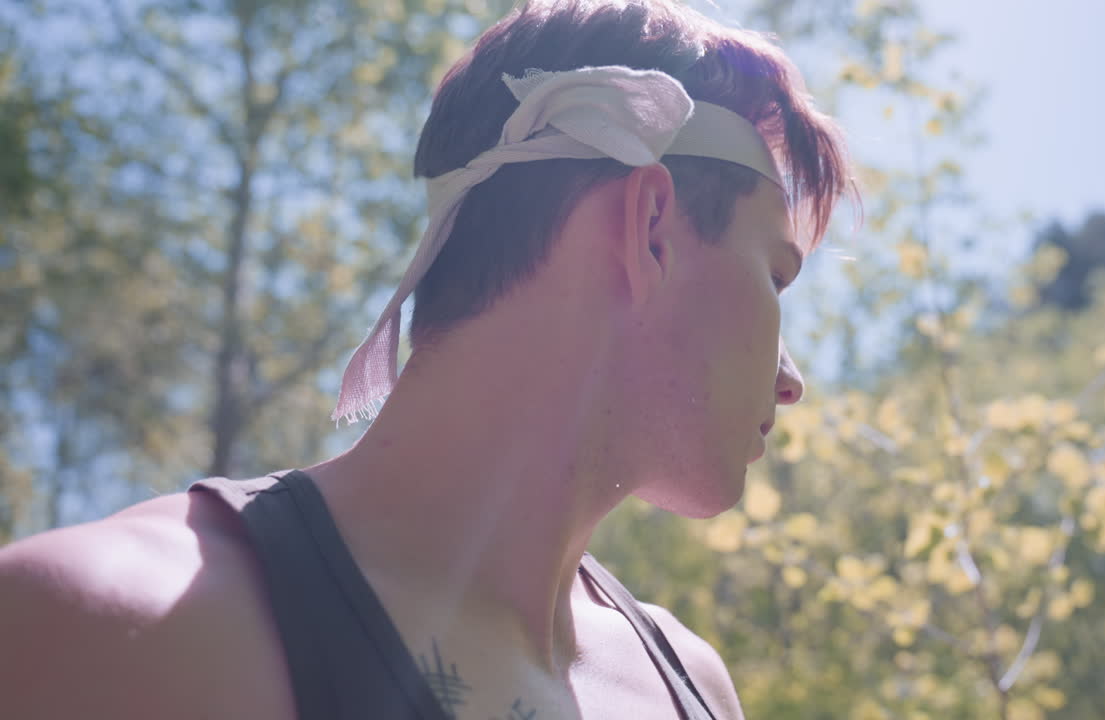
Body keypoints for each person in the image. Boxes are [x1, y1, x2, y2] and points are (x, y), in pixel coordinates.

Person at [0, 0, 853, 717]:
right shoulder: (105, 635)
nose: (791, 378)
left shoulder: (696, 689)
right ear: (653, 228)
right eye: (776, 277)